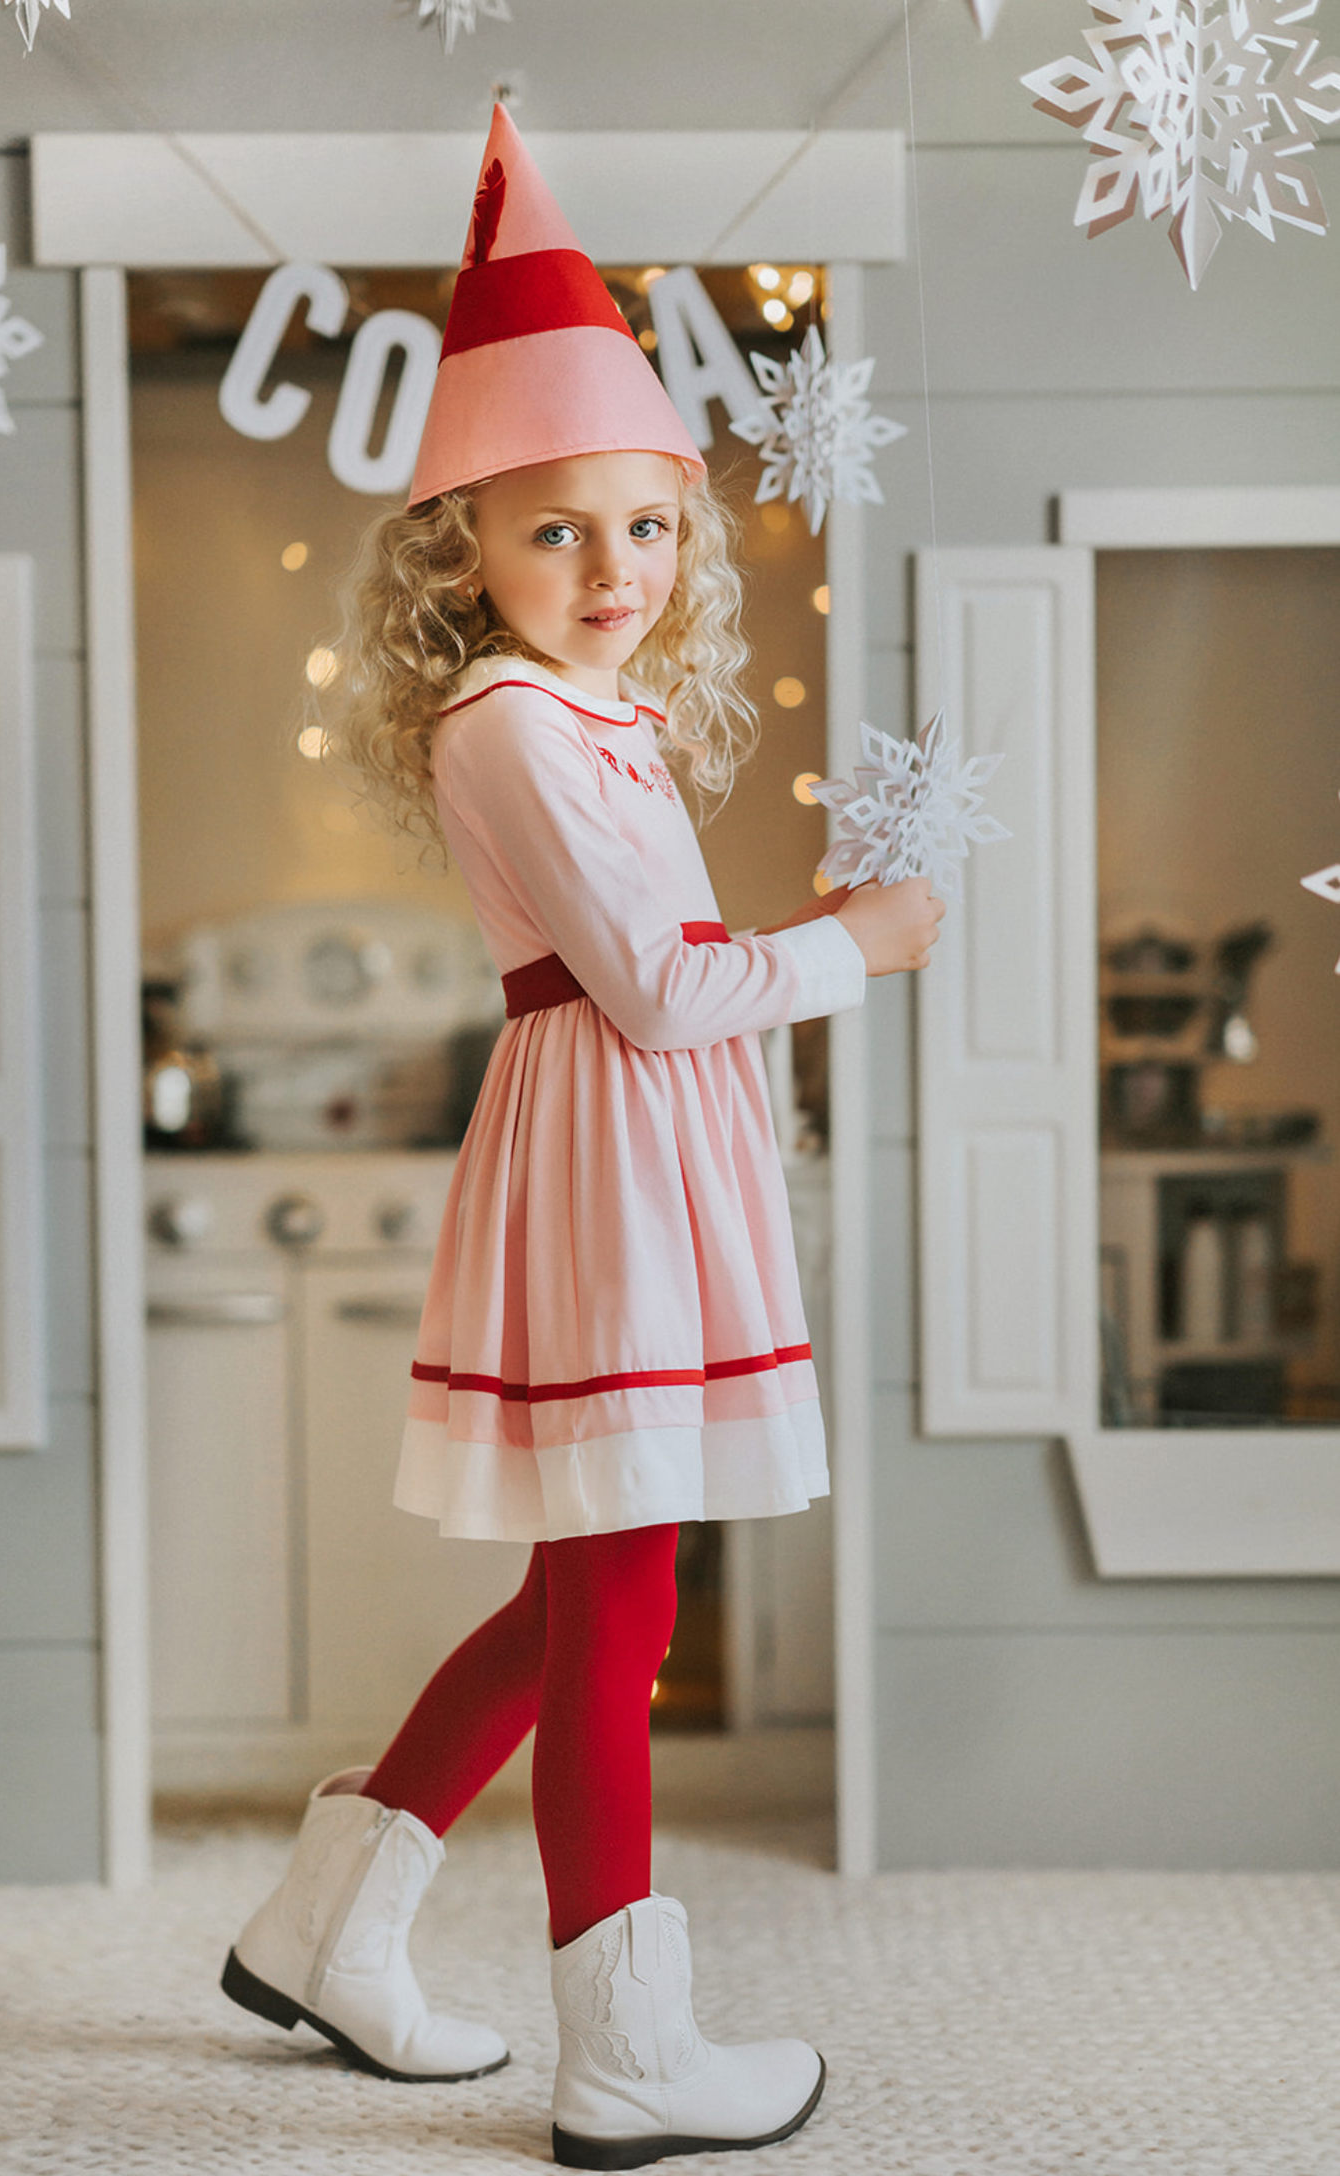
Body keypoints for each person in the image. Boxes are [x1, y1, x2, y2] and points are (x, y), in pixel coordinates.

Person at [220, 106, 943, 2171]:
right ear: (463, 539)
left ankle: (324, 1916)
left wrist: (790, 940)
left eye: (646, 527)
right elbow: (653, 987)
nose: (610, 571)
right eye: (556, 530)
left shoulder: (593, 717)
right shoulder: (513, 721)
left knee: (577, 1587)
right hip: (610, 1168)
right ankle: (621, 2050)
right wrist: (854, 944)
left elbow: (659, 966)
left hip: (640, 1162)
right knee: (618, 1601)